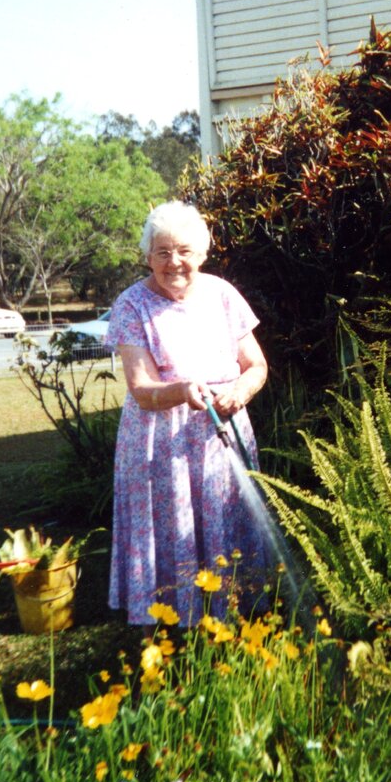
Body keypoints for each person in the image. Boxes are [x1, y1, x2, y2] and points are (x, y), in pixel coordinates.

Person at [106, 200, 269, 625]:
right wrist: (181, 390)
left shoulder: (223, 294)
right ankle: (166, 622)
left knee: (224, 518)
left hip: (223, 430)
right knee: (168, 526)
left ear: (202, 253)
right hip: (159, 442)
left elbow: (257, 365)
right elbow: (141, 389)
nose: (174, 262)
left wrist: (239, 391)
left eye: (184, 251)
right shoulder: (131, 305)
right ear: (147, 257)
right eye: (162, 252)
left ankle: (234, 612)